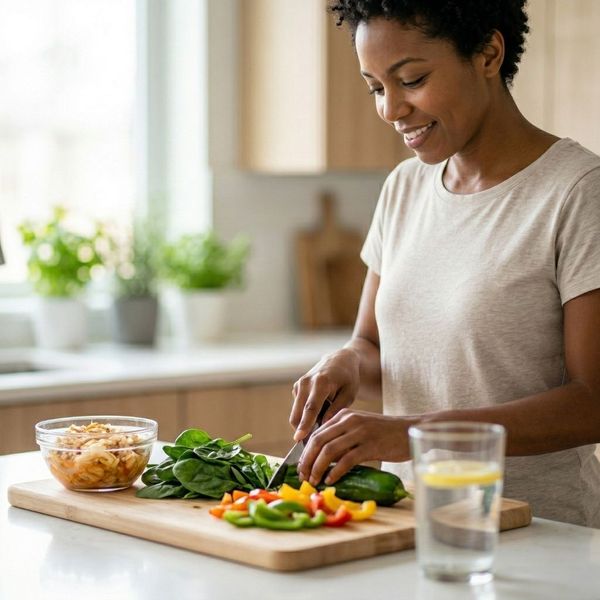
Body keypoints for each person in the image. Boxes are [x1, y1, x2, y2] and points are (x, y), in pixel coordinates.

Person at [289, 0, 600, 527]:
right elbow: (370, 344)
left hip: (539, 530)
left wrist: (411, 432)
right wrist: (345, 362)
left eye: (410, 79)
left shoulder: (577, 193)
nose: (390, 108)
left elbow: (592, 402)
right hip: (408, 521)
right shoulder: (403, 188)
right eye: (375, 87)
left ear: (487, 53)